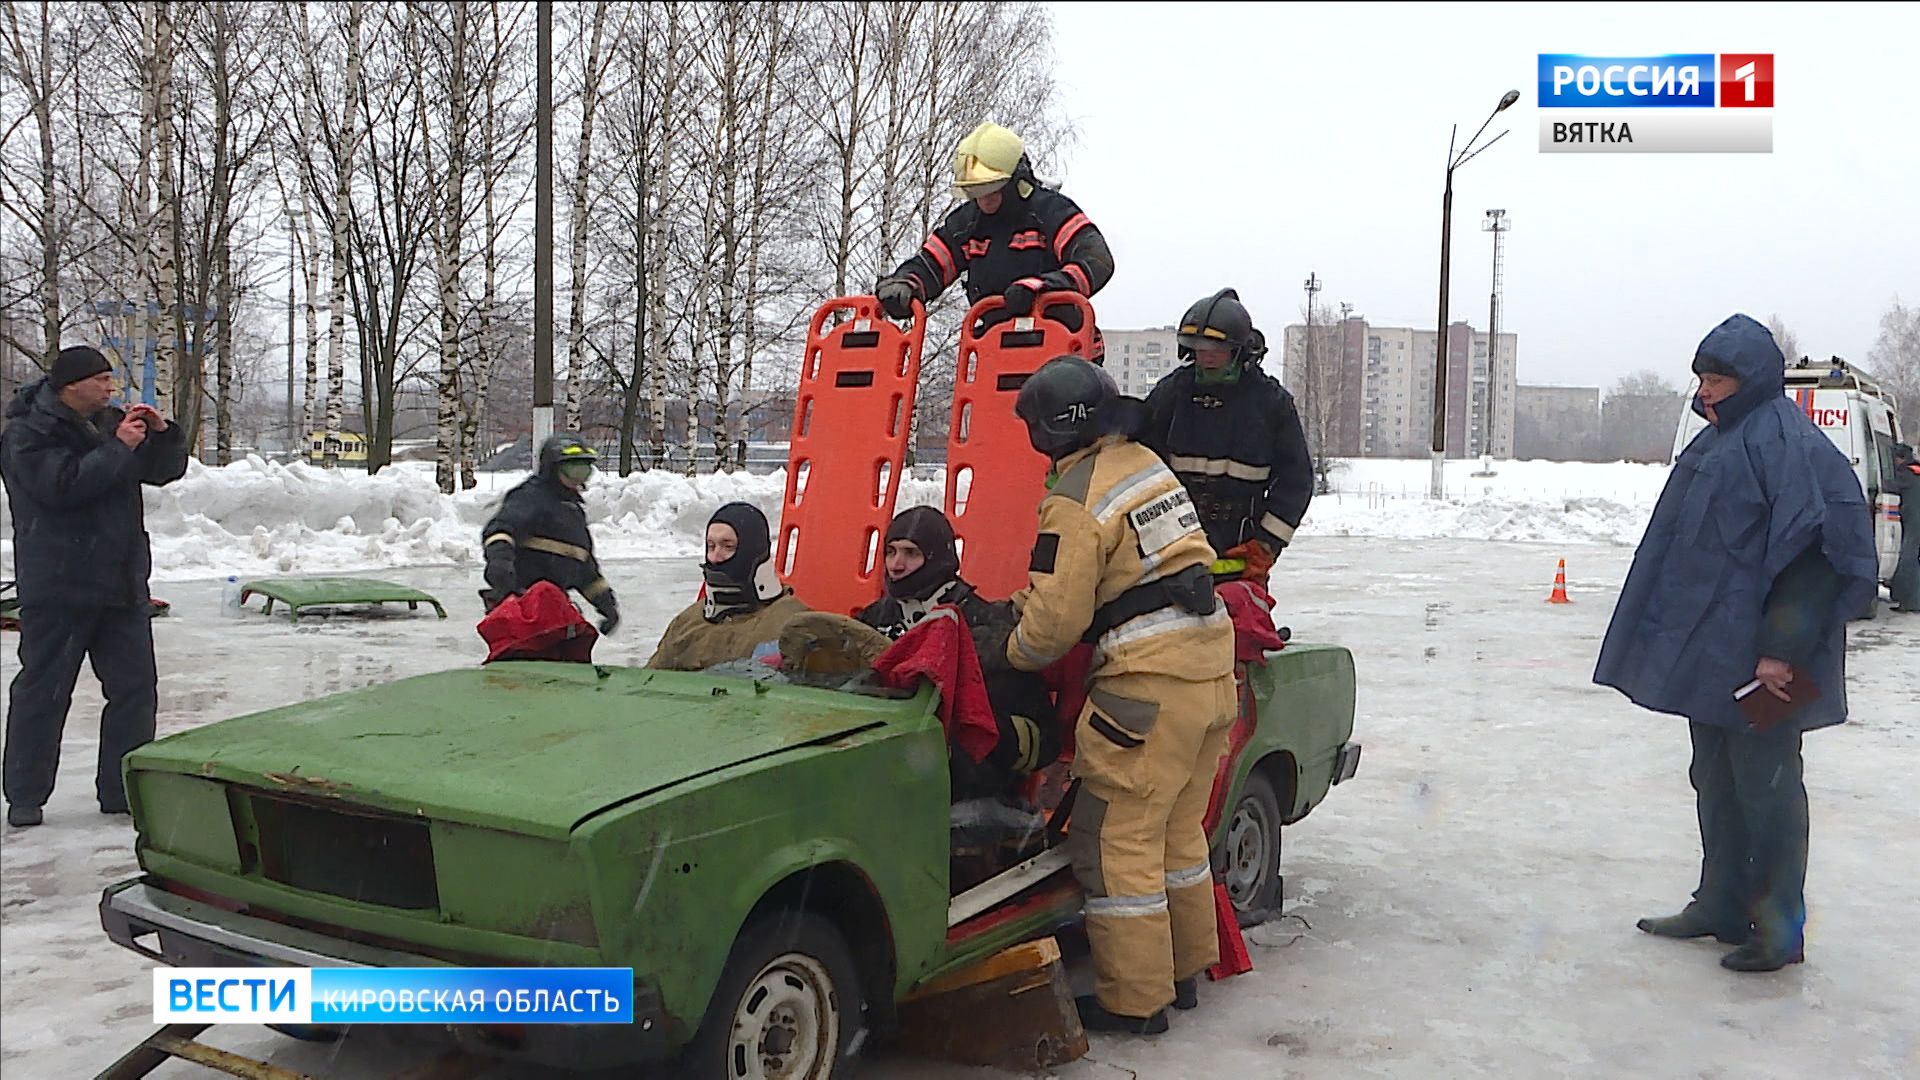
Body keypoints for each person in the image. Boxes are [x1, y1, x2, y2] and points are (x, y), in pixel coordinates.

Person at [1594, 314, 1877, 973]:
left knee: (1768, 790)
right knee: (1716, 781)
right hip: (1715, 655)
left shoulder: (1790, 446)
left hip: (1766, 664)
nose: (1704, 390)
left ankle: (1779, 929)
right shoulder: (1718, 442)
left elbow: (1817, 558)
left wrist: (1781, 650)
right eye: (1700, 378)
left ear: (1748, 379)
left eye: (1716, 379)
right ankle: (1720, 903)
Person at [974, 355, 1237, 1034]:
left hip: (1148, 686)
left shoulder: (1074, 498)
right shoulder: (1144, 464)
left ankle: (1136, 1001)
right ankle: (1184, 971)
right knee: (1177, 832)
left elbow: (1052, 627)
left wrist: (1001, 650)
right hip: (1210, 669)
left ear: (1048, 431)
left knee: (1118, 840)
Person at [1, 345, 189, 828]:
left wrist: (162, 435)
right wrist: (118, 448)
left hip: (120, 587)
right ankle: (25, 794)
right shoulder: (28, 432)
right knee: (44, 693)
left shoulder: (109, 423)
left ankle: (122, 790)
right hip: (58, 587)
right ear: (71, 385)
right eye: (101, 379)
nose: (111, 388)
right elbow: (61, 487)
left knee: (135, 690)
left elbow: (162, 471)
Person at [856, 505, 1057, 801]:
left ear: (938, 558)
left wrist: (969, 726)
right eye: (891, 552)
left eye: (911, 553)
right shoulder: (874, 619)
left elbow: (1044, 742)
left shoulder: (986, 628)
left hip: (964, 793)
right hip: (878, 778)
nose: (896, 565)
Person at [1142, 289, 1313, 584]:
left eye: (1216, 348)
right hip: (1174, 550)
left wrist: (1266, 544)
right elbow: (1141, 465)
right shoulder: (1170, 395)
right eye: (1199, 347)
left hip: (1241, 553)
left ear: (1239, 350)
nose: (1207, 355)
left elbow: (1296, 481)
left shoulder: (1270, 403)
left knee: (1239, 615)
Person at [874, 122, 1114, 328]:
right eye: (975, 191)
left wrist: (1043, 289)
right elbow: (933, 263)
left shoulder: (1051, 212)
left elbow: (1096, 260)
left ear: (1015, 181)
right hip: (994, 344)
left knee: (1058, 373)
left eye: (991, 189)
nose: (984, 200)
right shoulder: (967, 224)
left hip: (1060, 342)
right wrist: (906, 283)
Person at [480, 433, 620, 635]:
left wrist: (606, 605)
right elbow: (500, 530)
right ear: (552, 468)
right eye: (573, 470)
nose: (578, 479)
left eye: (585, 471)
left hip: (553, 610)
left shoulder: (573, 512)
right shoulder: (530, 497)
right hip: (520, 607)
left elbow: (584, 567)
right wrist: (500, 564)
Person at [648, 502, 810, 672]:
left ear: (752, 552)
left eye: (728, 547)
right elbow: (647, 681)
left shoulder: (793, 623)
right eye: (711, 546)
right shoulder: (686, 623)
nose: (715, 557)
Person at [1888, 442, 1920, 612]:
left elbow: (1890, 487)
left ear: (1899, 458)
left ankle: (1910, 602)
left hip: (1914, 523)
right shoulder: (1916, 471)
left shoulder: (1907, 474)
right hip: (1915, 521)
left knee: (1908, 560)